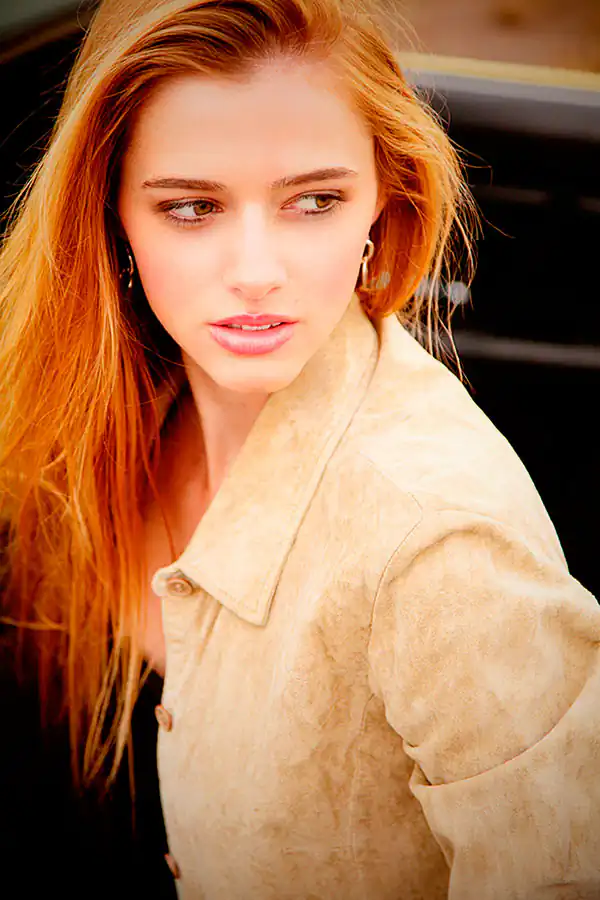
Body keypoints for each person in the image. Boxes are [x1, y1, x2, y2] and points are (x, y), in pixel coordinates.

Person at [1, 0, 599, 897]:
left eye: (315, 201)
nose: (257, 272)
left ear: (381, 200)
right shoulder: (93, 404)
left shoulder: (440, 545)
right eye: (192, 207)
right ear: (111, 211)